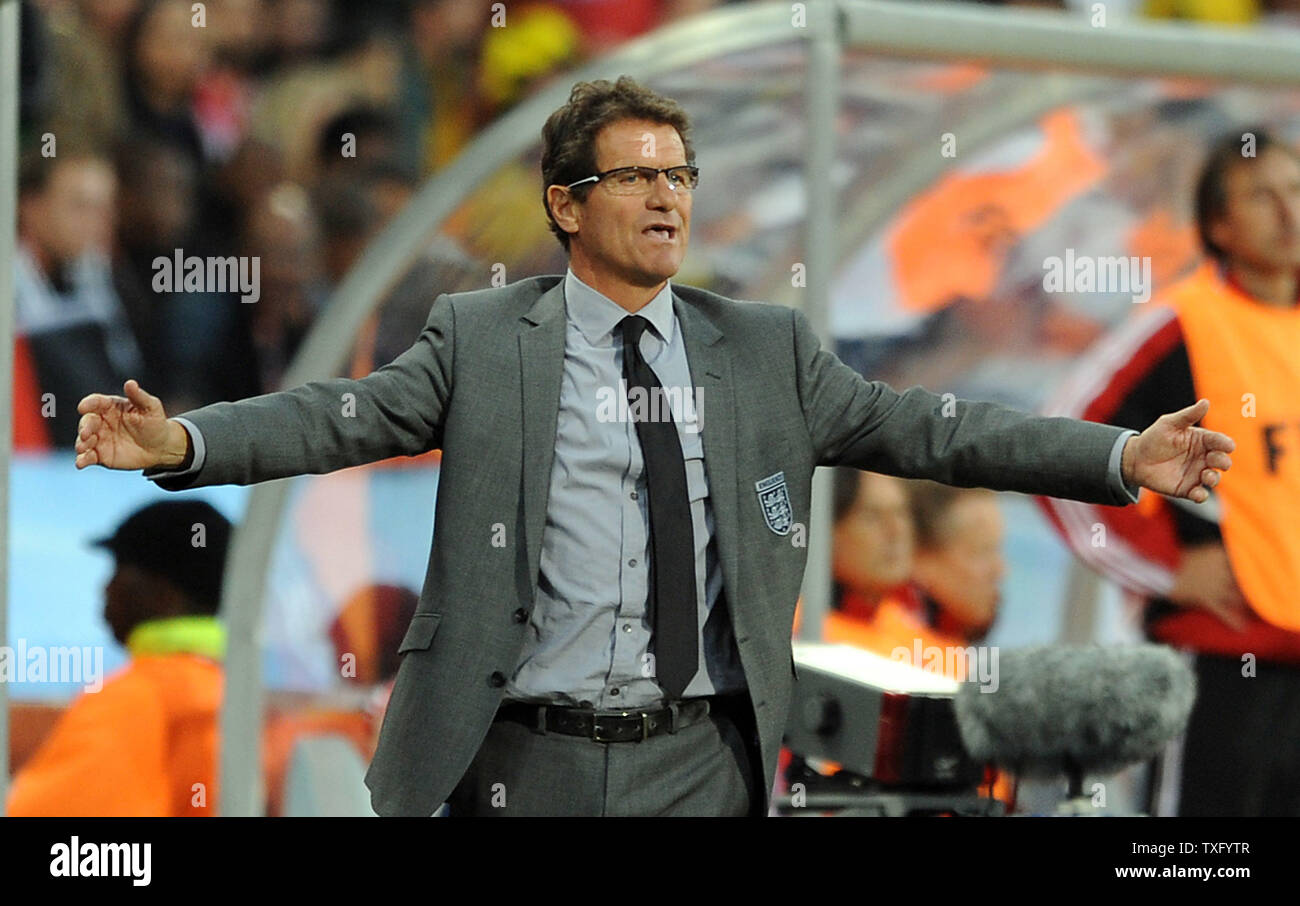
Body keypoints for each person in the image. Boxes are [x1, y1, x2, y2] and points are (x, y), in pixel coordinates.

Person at [74, 76, 1235, 818]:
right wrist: (181, 440)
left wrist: (1118, 459)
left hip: (705, 762)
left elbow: (937, 431)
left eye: (678, 174)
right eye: (635, 176)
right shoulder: (483, 340)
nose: (668, 195)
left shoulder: (764, 350)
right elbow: (338, 417)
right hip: (519, 759)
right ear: (566, 206)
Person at [1038, 128, 1300, 816]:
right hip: (1217, 664)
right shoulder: (1177, 324)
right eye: (1262, 195)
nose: (1288, 211)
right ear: (1218, 225)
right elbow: (1058, 447)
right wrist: (1166, 570)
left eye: (1298, 190)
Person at [6, 500, 230, 817]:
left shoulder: (137, 698)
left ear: (164, 594)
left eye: (120, 570)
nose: (106, 588)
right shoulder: (233, 694)